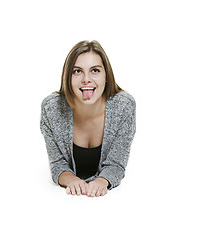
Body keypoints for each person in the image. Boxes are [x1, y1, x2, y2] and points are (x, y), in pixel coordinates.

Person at [40, 40, 136, 197]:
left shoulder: (124, 106)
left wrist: (102, 181)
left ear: (106, 76)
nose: (86, 79)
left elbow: (116, 164)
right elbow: (57, 164)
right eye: (77, 71)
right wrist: (71, 180)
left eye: (95, 70)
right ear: (68, 77)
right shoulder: (51, 108)